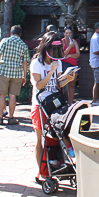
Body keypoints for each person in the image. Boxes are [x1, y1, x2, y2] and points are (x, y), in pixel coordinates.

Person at [30, 33, 77, 184]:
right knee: (40, 138)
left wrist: (67, 79)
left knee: (58, 133)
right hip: (41, 104)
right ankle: (41, 170)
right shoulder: (37, 63)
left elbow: (56, 85)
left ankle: (59, 162)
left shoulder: (57, 62)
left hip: (54, 102)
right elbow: (38, 85)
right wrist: (51, 71)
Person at [0, 25, 30, 126]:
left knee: (2, 95)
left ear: (11, 33)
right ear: (20, 34)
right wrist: (24, 75)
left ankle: (0, 118)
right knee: (13, 96)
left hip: (4, 71)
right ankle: (11, 118)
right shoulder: (23, 45)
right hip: (17, 73)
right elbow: (25, 62)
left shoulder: (5, 41)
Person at [61, 27, 80, 103]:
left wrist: (69, 56)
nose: (68, 34)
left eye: (70, 33)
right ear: (64, 34)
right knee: (62, 85)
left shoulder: (74, 41)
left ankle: (70, 103)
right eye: (66, 33)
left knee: (72, 84)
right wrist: (69, 47)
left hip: (73, 65)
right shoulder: (62, 41)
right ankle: (62, 102)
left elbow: (78, 54)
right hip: (64, 64)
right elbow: (63, 54)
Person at [89, 22, 99, 105]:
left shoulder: (98, 37)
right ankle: (95, 100)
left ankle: (96, 99)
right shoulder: (95, 38)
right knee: (98, 82)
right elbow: (96, 51)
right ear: (96, 29)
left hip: (98, 62)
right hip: (97, 62)